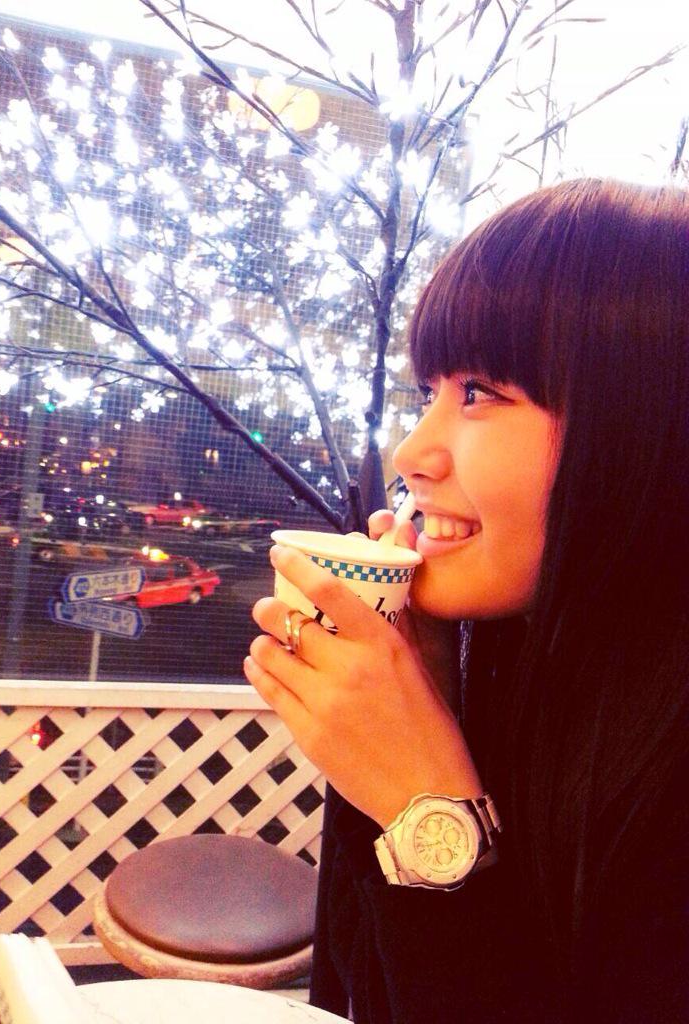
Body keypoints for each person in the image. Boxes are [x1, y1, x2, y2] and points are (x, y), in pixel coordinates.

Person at [243, 179, 689, 1023]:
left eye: (479, 392)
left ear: (648, 424)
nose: (412, 452)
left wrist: (430, 812)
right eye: (430, 394)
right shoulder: (518, 682)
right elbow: (368, 998)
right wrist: (412, 719)